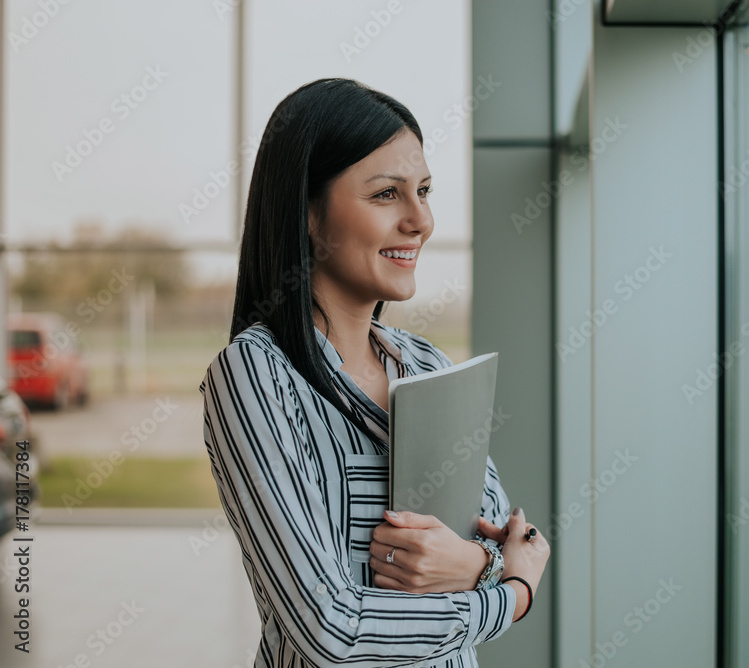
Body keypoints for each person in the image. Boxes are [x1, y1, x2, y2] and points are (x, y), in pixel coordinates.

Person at [199, 77, 550, 667]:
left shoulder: (428, 365)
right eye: (387, 194)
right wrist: (509, 597)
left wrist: (480, 565)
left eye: (425, 191)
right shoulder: (256, 374)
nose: (421, 221)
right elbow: (331, 629)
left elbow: (511, 538)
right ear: (308, 213)